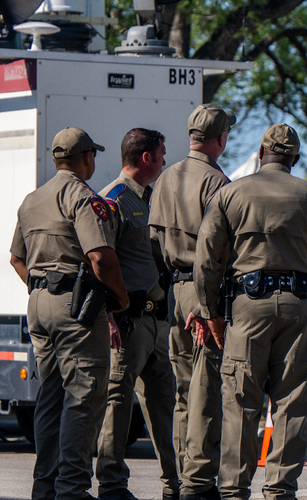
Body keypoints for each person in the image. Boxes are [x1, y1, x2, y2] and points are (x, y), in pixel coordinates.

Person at [192, 123, 307, 499]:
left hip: (248, 305)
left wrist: (210, 311)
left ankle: (233, 491)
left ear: (261, 153)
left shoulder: (230, 192)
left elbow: (206, 261)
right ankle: (280, 491)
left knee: (241, 401)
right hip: (298, 305)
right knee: (292, 402)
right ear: (294, 158)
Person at [9, 127, 129, 500]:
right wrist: (119, 298)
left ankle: (45, 486)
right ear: (86, 158)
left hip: (39, 304)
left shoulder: (32, 199)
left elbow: (16, 259)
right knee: (85, 395)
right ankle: (72, 489)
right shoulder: (81, 196)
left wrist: (45, 288)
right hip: (75, 308)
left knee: (51, 396)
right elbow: (99, 256)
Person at [148, 103, 235, 500]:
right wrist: (208, 305)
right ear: (219, 139)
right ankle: (199, 483)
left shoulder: (165, 177)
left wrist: (172, 289)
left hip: (175, 289)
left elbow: (151, 241)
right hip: (204, 292)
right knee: (206, 389)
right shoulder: (216, 181)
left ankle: (182, 479)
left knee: (184, 390)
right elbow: (216, 250)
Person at [95, 129, 178, 500]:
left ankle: (176, 484)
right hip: (127, 324)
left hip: (157, 321)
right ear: (146, 157)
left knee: (166, 405)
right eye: (161, 153)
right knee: (118, 404)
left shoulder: (150, 199)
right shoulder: (113, 200)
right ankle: (112, 485)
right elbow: (96, 259)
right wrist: (109, 315)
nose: (164, 159)